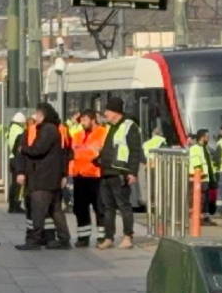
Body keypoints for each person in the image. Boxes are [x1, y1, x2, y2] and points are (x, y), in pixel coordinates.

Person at [16, 102, 72, 250]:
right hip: (51, 177)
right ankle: (64, 239)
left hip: (43, 178)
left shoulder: (47, 129)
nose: (35, 117)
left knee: (38, 210)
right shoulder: (53, 129)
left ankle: (34, 240)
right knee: (55, 210)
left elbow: (38, 149)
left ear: (44, 115)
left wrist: (24, 149)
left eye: (38, 114)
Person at [96, 96, 145, 249]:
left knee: (124, 205)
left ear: (115, 112)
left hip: (120, 172)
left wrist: (132, 172)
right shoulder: (111, 126)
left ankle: (127, 237)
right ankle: (109, 237)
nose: (105, 114)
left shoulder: (129, 126)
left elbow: (135, 151)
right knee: (108, 207)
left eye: (107, 111)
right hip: (106, 171)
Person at [70, 110, 106, 247]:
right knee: (80, 208)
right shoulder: (77, 135)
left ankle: (102, 237)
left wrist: (84, 153)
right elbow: (74, 153)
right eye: (81, 121)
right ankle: (83, 237)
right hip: (79, 176)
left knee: (99, 208)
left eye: (85, 120)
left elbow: (98, 153)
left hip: (95, 176)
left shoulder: (103, 133)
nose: (82, 123)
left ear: (92, 120)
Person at [187, 129, 216, 225]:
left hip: (205, 178)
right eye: (207, 136)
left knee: (205, 199)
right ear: (202, 137)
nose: (208, 138)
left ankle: (205, 217)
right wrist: (200, 174)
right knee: (200, 199)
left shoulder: (205, 148)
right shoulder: (195, 148)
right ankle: (199, 219)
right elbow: (196, 163)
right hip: (199, 178)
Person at [6, 112, 27, 213]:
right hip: (17, 158)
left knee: (13, 183)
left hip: (12, 158)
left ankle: (11, 205)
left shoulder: (10, 129)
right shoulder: (19, 130)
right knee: (19, 184)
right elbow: (18, 146)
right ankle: (16, 205)